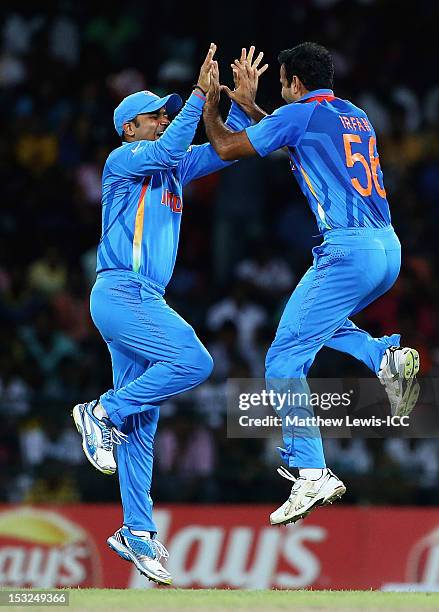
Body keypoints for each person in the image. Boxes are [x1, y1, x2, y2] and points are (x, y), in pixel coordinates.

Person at [72, 43, 267, 584]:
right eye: (155, 114)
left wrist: (232, 101)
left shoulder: (172, 165)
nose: (164, 118)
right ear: (130, 127)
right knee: (194, 362)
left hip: (141, 301)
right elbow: (174, 144)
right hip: (120, 293)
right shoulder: (123, 160)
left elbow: (224, 148)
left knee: (144, 423)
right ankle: (101, 412)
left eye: (166, 111)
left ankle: (136, 532)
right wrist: (199, 94)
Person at [203, 43, 420, 526]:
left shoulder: (297, 114)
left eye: (281, 83)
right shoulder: (352, 113)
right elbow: (288, 136)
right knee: (314, 323)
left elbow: (226, 148)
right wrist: (250, 106)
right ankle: (381, 357)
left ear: (295, 84)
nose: (280, 91)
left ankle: (311, 469)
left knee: (282, 358)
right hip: (387, 248)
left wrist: (212, 106)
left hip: (347, 251)